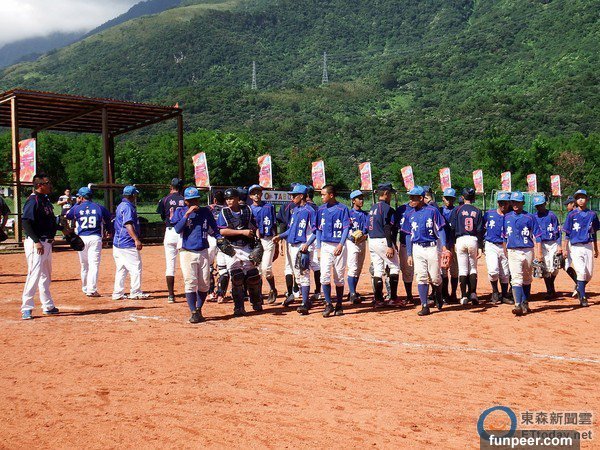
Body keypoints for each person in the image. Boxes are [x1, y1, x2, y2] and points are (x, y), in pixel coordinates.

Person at [20, 173, 73, 319]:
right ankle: (26, 307)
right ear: (39, 185)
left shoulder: (45, 200)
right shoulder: (33, 200)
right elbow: (26, 222)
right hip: (37, 243)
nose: (50, 185)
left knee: (46, 276)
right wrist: (36, 241)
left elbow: (48, 222)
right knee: (34, 274)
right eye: (47, 183)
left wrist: (62, 229)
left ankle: (48, 306)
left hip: (47, 242)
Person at [173, 187, 222, 323]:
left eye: (195, 199)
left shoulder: (205, 211)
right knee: (190, 282)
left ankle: (199, 308)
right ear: (185, 201)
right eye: (190, 200)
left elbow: (214, 229)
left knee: (204, 284)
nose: (193, 202)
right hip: (187, 251)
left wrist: (220, 239)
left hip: (203, 250)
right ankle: (193, 311)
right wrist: (187, 214)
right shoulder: (180, 211)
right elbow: (177, 229)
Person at [401, 186, 448, 316]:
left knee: (435, 278)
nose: (411, 200)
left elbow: (441, 229)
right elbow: (407, 235)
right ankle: (424, 305)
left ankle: (438, 294)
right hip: (417, 248)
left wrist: (444, 246)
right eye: (410, 197)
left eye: (413, 198)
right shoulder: (409, 214)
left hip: (432, 247)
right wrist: (409, 254)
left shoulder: (432, 211)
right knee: (421, 277)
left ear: (421, 198)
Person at [217, 188, 262, 316]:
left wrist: (258, 240)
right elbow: (222, 231)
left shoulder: (247, 210)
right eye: (227, 199)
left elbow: (254, 227)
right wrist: (242, 232)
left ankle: (256, 301)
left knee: (253, 275)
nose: (229, 201)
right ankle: (239, 307)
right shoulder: (224, 212)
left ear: (237, 198)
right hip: (231, 247)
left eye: (231, 198)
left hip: (247, 246)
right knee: (237, 277)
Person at [273, 184, 317, 315]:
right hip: (292, 246)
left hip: (303, 246)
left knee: (304, 274)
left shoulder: (310, 211)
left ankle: (304, 303)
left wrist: (307, 244)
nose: (292, 198)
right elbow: (291, 229)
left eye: (294, 195)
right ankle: (305, 299)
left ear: (301, 196)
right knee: (297, 276)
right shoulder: (295, 210)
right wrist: (280, 236)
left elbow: (315, 231)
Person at [65, 187, 111, 297]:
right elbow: (108, 220)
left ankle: (85, 287)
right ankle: (91, 289)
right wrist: (109, 231)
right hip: (95, 237)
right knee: (93, 264)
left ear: (81, 197)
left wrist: (77, 204)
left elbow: (68, 215)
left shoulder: (77, 208)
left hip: (81, 238)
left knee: (84, 265)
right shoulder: (99, 207)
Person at [503, 191, 543, 316]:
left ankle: (525, 302)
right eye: (513, 202)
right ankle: (517, 304)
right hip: (513, 250)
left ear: (523, 203)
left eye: (518, 202)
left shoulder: (530, 217)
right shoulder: (507, 217)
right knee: (516, 278)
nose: (515, 204)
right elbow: (504, 236)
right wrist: (505, 250)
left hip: (527, 250)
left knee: (527, 279)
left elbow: (538, 236)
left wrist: (539, 253)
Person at [317, 184, 350, 317]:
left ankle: (339, 305)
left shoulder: (342, 209)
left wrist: (341, 244)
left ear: (331, 195)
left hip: (339, 245)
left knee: (339, 277)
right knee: (324, 276)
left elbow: (346, 228)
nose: (322, 197)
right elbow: (318, 229)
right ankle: (328, 304)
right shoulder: (321, 209)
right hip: (325, 245)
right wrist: (319, 247)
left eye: (323, 194)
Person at [562, 190, 599, 307]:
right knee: (581, 272)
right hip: (575, 246)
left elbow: (594, 232)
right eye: (578, 198)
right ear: (575, 201)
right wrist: (565, 248)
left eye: (583, 197)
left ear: (587, 199)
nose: (581, 200)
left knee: (589, 274)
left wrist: (596, 248)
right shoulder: (572, 215)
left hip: (588, 246)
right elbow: (567, 233)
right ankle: (583, 297)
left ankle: (579, 288)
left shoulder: (592, 214)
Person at [112, 185, 149, 300]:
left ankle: (118, 293)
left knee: (122, 268)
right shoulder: (128, 207)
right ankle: (135, 292)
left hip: (118, 242)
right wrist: (136, 239)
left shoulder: (120, 205)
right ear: (132, 195)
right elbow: (128, 224)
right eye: (135, 195)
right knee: (136, 267)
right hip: (127, 242)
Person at [449, 188, 484, 305]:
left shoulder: (457, 209)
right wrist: (480, 246)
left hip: (460, 239)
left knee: (463, 269)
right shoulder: (477, 210)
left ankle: (463, 296)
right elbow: (480, 230)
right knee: (473, 268)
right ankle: (473, 293)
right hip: (473, 239)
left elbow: (452, 227)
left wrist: (453, 243)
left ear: (463, 197)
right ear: (473, 198)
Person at [368, 183, 401, 307]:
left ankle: (378, 300)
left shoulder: (373, 207)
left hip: (372, 240)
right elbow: (387, 227)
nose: (391, 196)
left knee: (378, 269)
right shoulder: (387, 208)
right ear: (386, 194)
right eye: (390, 193)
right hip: (383, 240)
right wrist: (390, 245)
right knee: (394, 267)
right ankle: (393, 298)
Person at [248, 184, 279, 304]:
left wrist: (277, 242)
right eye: (253, 193)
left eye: (258, 192)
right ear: (250, 196)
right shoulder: (249, 209)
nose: (256, 195)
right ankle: (258, 295)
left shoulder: (269, 207)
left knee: (266, 268)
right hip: (256, 241)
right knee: (258, 270)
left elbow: (274, 224)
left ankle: (272, 289)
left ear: (262, 194)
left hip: (268, 239)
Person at [156, 178, 185, 303]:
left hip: (170, 231)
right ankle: (190, 291)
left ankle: (171, 295)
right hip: (182, 232)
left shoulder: (165, 199)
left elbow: (162, 216)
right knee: (185, 263)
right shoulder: (185, 199)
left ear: (171, 186)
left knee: (170, 265)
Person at [483, 191, 513, 305]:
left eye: (505, 203)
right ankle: (495, 291)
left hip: (505, 246)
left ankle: (504, 295)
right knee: (493, 271)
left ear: (509, 203)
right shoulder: (489, 214)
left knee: (505, 273)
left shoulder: (511, 215)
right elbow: (481, 228)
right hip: (491, 245)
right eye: (501, 203)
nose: (503, 205)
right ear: (497, 203)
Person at [532, 194, 562, 299]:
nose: (539, 207)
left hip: (552, 242)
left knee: (555, 268)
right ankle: (550, 290)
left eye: (541, 205)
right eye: (537, 206)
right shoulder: (534, 217)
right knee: (545, 267)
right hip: (541, 244)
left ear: (545, 204)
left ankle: (551, 286)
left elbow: (558, 231)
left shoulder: (551, 215)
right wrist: (537, 249)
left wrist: (559, 245)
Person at [276, 183, 300, 303]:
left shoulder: (286, 206)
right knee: (298, 266)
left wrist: (281, 241)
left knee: (290, 266)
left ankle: (291, 292)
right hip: (300, 240)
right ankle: (296, 289)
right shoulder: (305, 207)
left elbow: (282, 225)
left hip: (290, 239)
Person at [347, 190, 369, 304]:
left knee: (358, 269)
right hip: (351, 243)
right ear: (353, 201)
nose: (361, 200)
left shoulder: (365, 214)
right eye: (359, 198)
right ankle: (352, 294)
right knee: (353, 268)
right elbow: (344, 228)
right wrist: (349, 236)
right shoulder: (349, 214)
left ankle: (353, 291)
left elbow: (367, 230)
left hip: (362, 242)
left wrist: (364, 236)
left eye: (362, 198)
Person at [207, 190, 229, 303]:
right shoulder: (228, 210)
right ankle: (221, 294)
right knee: (223, 268)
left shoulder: (209, 208)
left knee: (209, 267)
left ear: (215, 200)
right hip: (224, 239)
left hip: (210, 238)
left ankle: (210, 293)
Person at [439, 188, 459, 303]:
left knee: (454, 270)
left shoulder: (456, 211)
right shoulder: (439, 210)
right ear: (443, 198)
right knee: (443, 270)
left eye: (451, 199)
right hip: (442, 244)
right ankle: (445, 294)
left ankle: (454, 294)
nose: (449, 201)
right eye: (447, 198)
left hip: (454, 243)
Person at [562, 195, 578, 296]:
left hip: (573, 243)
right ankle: (579, 284)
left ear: (573, 204)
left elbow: (567, 233)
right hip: (574, 242)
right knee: (566, 264)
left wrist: (564, 247)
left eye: (568, 204)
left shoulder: (571, 214)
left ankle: (579, 285)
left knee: (567, 264)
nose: (566, 206)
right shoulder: (571, 214)